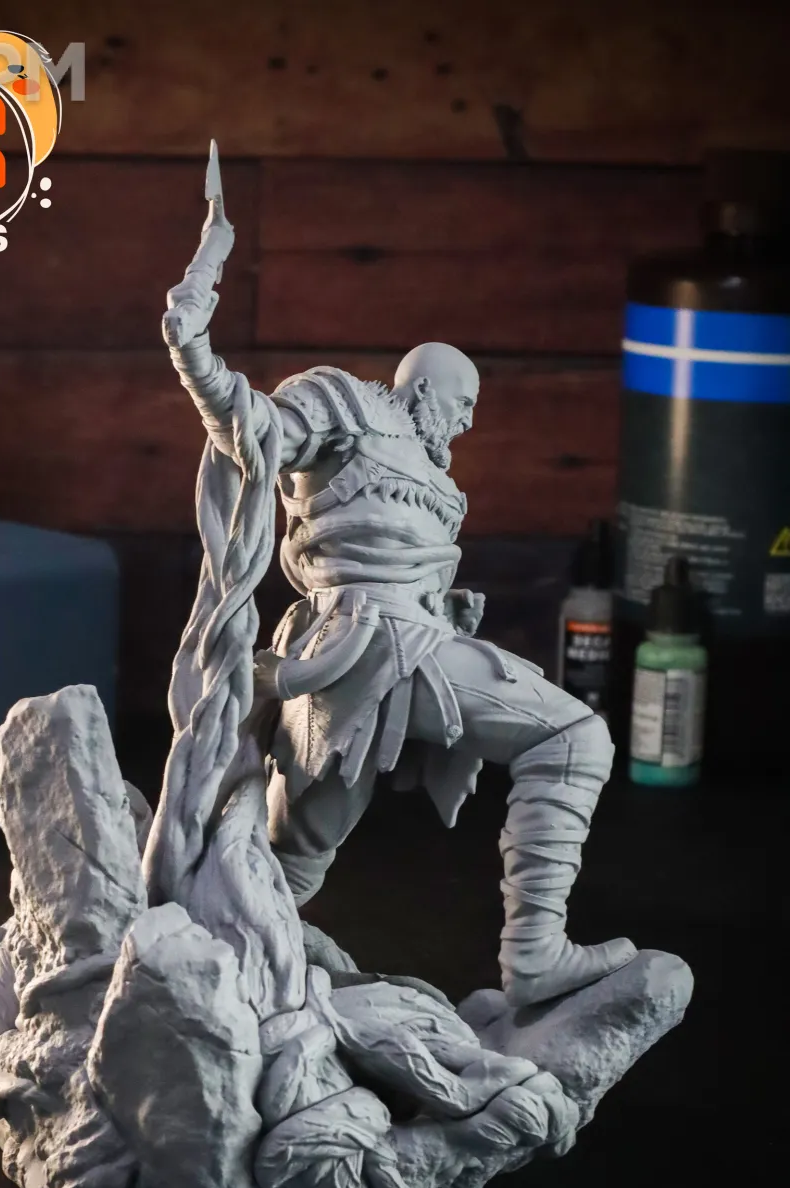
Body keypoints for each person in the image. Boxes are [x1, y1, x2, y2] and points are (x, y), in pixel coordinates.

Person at [164, 192, 635, 1008]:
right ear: (426, 387)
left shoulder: (439, 483)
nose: (469, 422)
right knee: (573, 736)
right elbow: (245, 421)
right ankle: (534, 954)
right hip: (359, 646)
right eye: (464, 402)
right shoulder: (346, 406)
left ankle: (207, 973)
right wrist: (192, 326)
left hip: (394, 651)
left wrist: (451, 610)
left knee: (291, 861)